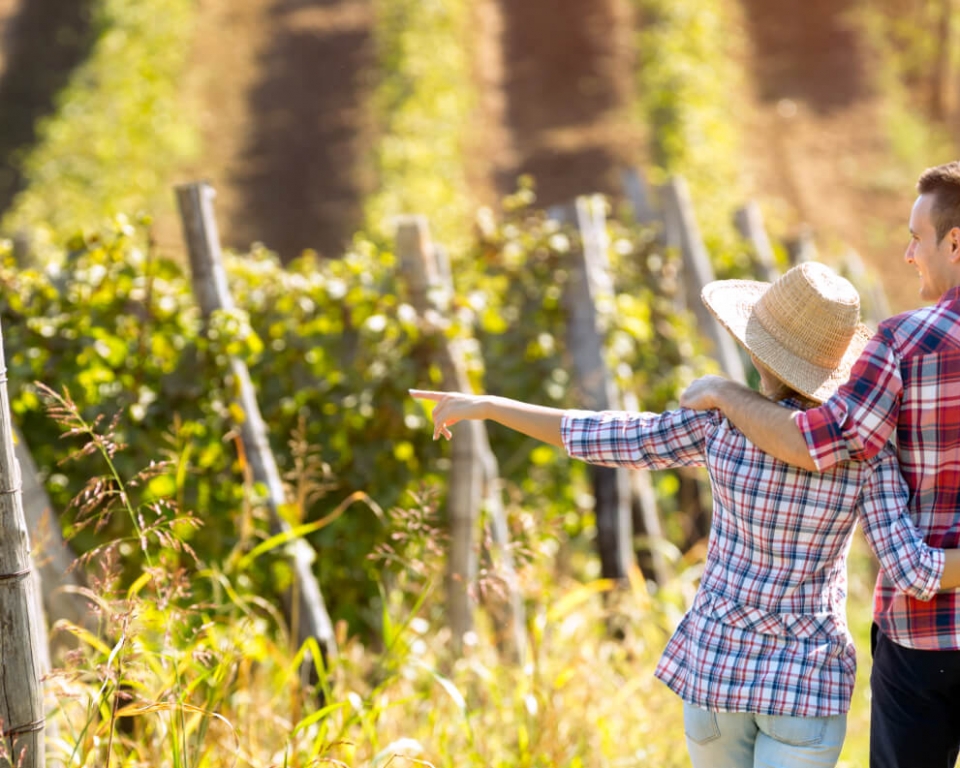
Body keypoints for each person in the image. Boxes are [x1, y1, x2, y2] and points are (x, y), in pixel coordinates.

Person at [411, 261, 960, 768]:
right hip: (805, 682)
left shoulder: (717, 424)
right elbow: (913, 572)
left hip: (717, 667)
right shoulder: (866, 452)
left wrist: (488, 406)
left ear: (757, 350)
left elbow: (600, 435)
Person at [680, 162, 960, 768]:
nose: (909, 254)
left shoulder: (906, 342)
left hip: (925, 638)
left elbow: (821, 443)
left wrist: (727, 396)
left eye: (917, 237)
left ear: (955, 242)